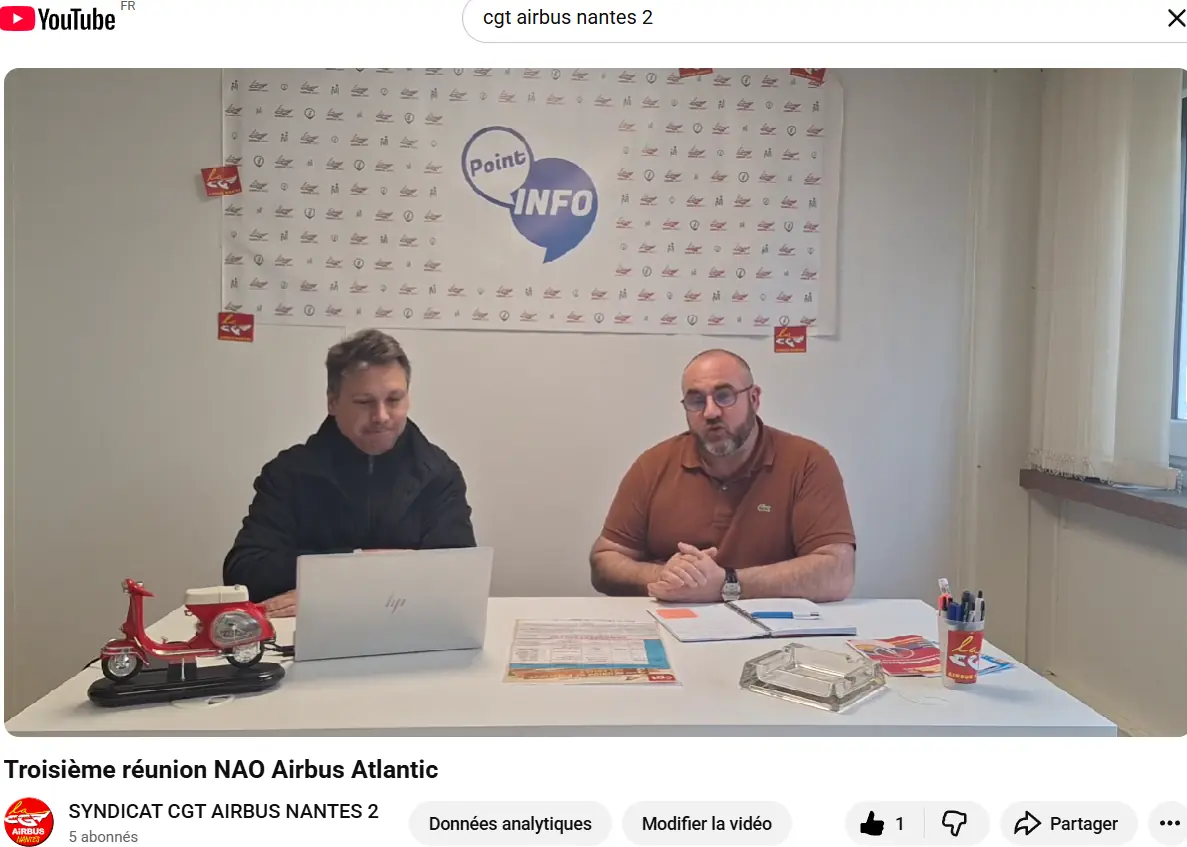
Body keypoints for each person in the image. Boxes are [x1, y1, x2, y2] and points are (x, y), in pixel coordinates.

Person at [223, 329, 476, 616]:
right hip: (312, 632)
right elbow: (245, 571)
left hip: (411, 631)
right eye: (364, 402)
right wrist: (360, 564)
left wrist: (333, 583)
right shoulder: (288, 474)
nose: (381, 416)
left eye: (394, 399)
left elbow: (461, 575)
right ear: (332, 402)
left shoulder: (439, 474)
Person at [589, 348, 856, 604]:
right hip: (673, 620)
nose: (711, 412)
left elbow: (837, 573)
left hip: (770, 626)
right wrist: (669, 576)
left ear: (754, 399)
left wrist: (727, 584)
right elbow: (605, 561)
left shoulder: (807, 462)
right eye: (696, 400)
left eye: (724, 396)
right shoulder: (653, 465)